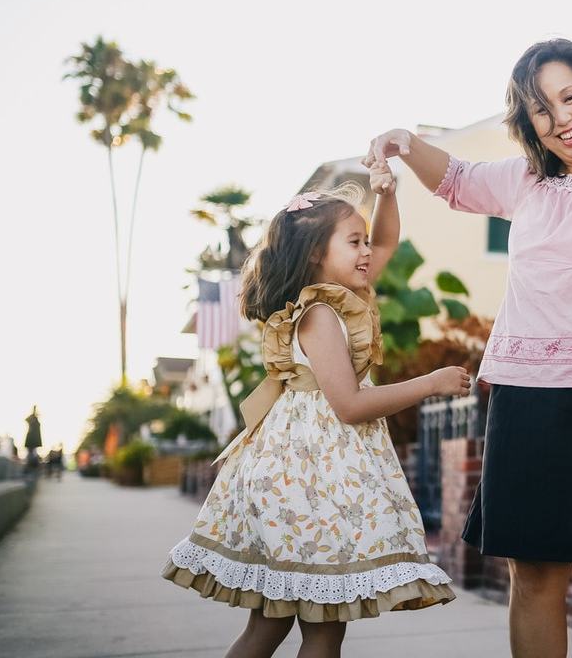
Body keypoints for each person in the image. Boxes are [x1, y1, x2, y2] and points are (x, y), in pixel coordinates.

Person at [364, 17, 572, 658]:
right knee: (535, 573)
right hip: (528, 397)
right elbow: (453, 179)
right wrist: (405, 142)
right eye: (540, 110)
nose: (559, 120)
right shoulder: (524, 182)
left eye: (571, 97)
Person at [162, 174, 470, 658]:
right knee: (322, 630)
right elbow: (349, 405)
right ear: (315, 254)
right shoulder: (320, 316)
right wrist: (431, 384)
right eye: (354, 242)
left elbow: (387, 239)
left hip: (305, 483)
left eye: (365, 241)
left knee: (269, 626)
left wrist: (387, 195)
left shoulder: (339, 300)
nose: (368, 250)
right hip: (308, 487)